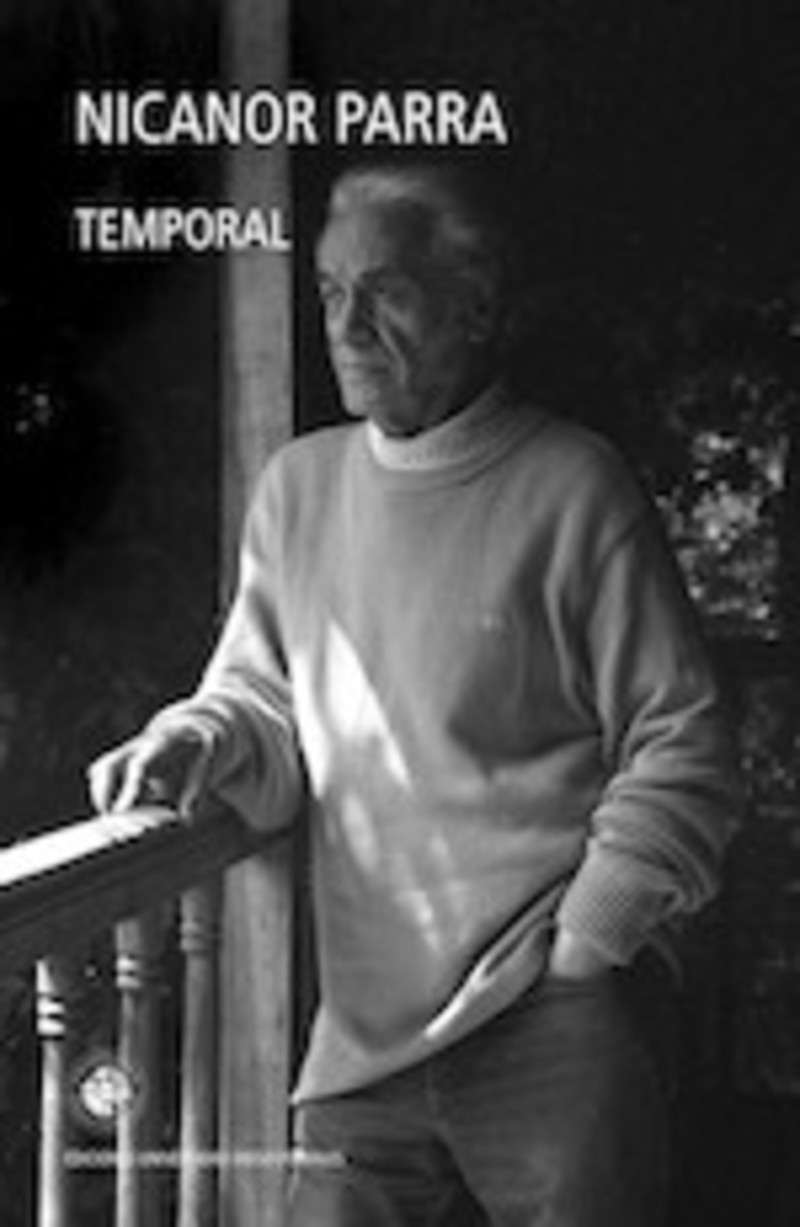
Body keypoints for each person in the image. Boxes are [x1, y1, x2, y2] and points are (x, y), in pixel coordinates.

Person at [89, 159, 741, 1227]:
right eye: (330, 293)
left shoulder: (573, 485)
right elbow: (265, 699)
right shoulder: (298, 489)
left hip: (547, 1014)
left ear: (474, 308)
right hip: (362, 1043)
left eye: (384, 292)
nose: (346, 326)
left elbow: (684, 739)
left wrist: (585, 948)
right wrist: (195, 738)